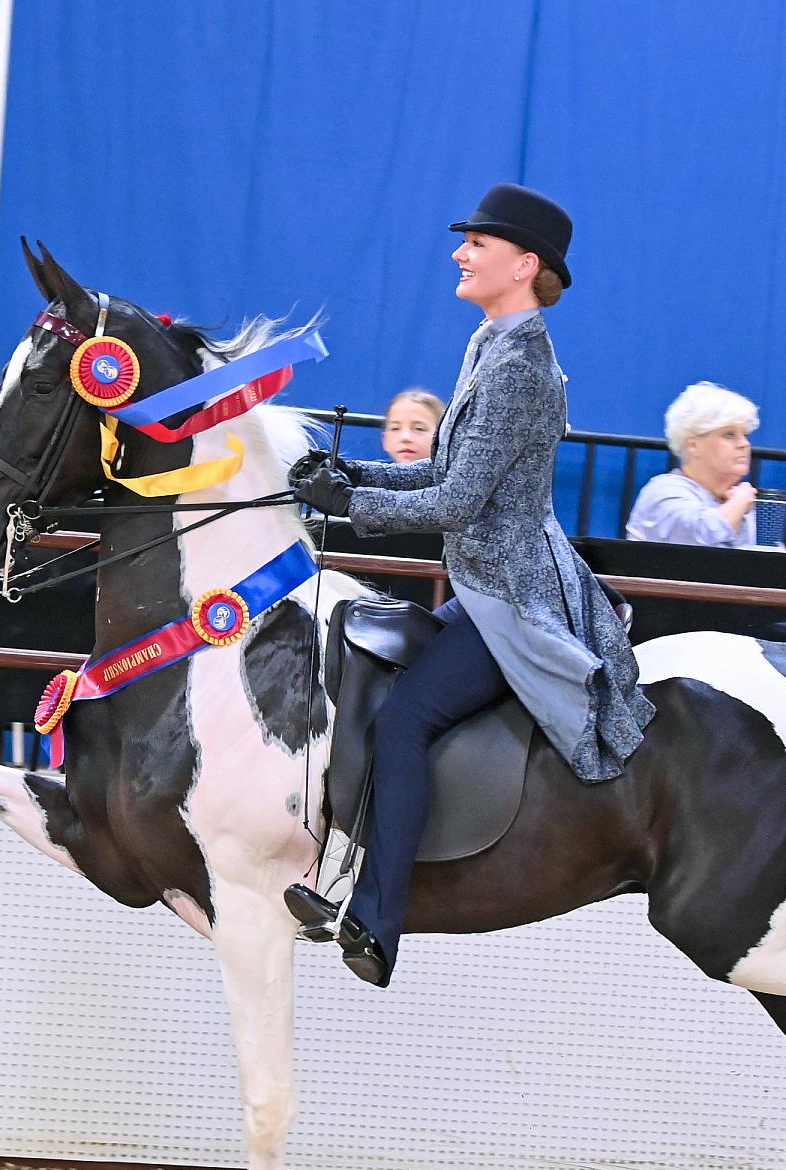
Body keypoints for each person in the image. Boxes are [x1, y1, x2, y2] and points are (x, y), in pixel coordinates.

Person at [285, 182, 653, 989]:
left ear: (524, 265)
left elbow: (456, 501)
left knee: (407, 720)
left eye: (478, 244)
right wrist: (350, 471)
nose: (461, 252)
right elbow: (447, 468)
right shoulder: (492, 342)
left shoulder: (523, 366)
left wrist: (351, 506)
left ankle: (378, 921)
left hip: (512, 598)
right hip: (482, 585)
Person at [626, 382, 761, 547]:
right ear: (693, 445)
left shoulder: (739, 501)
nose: (744, 444)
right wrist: (739, 502)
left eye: (745, 435)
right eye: (729, 435)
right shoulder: (663, 491)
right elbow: (701, 540)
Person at [380, 388, 444, 464]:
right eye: (395, 428)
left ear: (442, 437)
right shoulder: (369, 473)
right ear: (385, 439)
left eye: (419, 429)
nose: (405, 437)